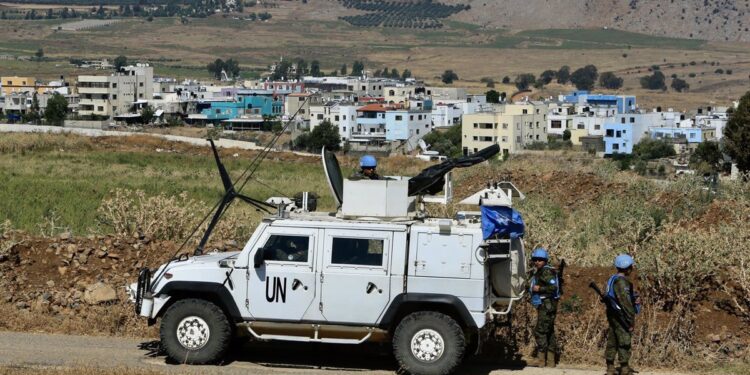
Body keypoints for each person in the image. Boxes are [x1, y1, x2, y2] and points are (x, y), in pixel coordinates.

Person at [604, 254, 641, 375]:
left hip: (613, 314)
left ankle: (610, 367)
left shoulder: (613, 279)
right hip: (621, 315)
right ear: (628, 268)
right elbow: (625, 303)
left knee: (613, 339)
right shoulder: (621, 282)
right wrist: (631, 319)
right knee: (624, 340)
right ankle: (624, 368)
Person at [527, 247, 560, 368]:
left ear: (545, 261)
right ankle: (550, 362)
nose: (537, 262)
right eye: (535, 259)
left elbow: (553, 288)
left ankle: (541, 360)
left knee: (540, 331)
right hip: (548, 305)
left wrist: (539, 289)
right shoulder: (542, 271)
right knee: (549, 332)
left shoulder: (545, 272)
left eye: (540, 260)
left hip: (547, 306)